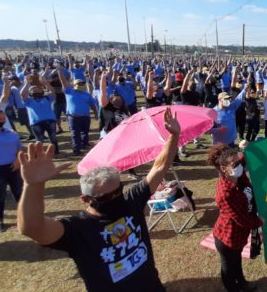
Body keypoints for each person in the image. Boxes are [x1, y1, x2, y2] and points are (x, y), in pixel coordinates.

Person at [17, 108, 180, 292]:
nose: (117, 197)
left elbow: (159, 168)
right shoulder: (77, 228)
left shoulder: (131, 201)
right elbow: (32, 228)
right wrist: (33, 186)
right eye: (108, 196)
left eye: (119, 190)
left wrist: (174, 136)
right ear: (86, 199)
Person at [207, 144, 262, 292]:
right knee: (228, 268)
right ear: (223, 169)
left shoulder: (236, 173)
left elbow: (243, 158)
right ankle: (233, 288)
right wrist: (259, 221)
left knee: (237, 261)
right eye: (235, 164)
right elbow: (242, 219)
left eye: (238, 162)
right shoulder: (225, 193)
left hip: (238, 235)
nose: (239, 166)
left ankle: (242, 283)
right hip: (227, 238)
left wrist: (246, 148)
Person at [58, 71, 98, 156]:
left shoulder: (87, 94)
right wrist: (60, 73)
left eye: (82, 84)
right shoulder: (69, 91)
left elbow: (92, 105)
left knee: (85, 132)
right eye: (78, 84)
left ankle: (84, 145)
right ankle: (76, 149)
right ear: (74, 85)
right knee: (75, 133)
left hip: (85, 117)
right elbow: (63, 82)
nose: (80, 85)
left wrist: (96, 114)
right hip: (73, 117)